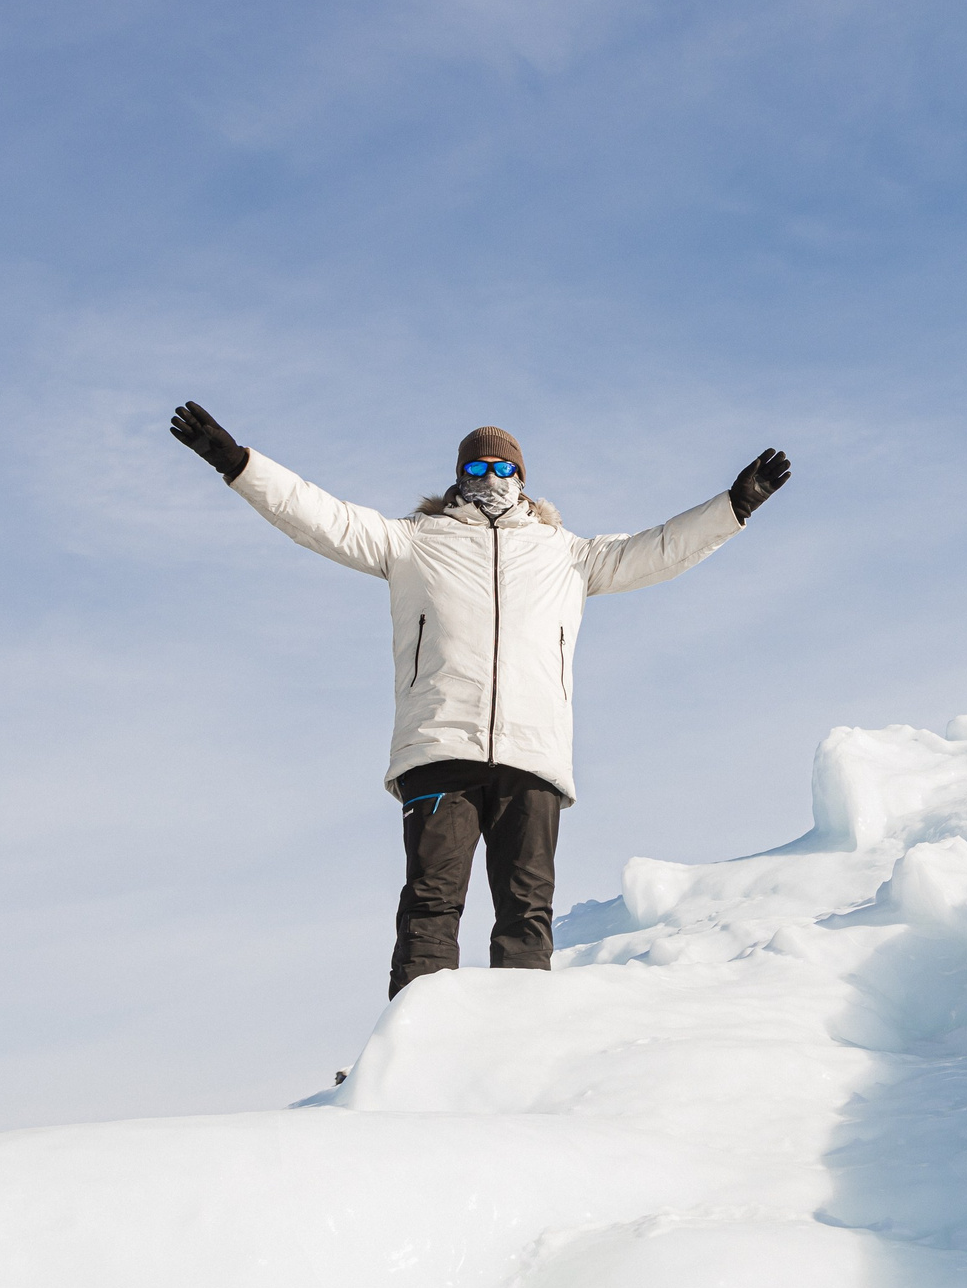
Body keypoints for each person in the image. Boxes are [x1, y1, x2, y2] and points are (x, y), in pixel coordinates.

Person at [167, 402, 789, 996]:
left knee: (526, 910)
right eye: (476, 466)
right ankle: (419, 1039)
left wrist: (733, 506)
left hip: (532, 756)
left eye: (503, 467)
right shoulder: (412, 540)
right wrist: (237, 462)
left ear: (522, 478)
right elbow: (319, 516)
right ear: (457, 476)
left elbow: (659, 549)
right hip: (440, 748)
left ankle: (514, 1039)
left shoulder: (568, 554)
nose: (490, 477)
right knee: (431, 903)